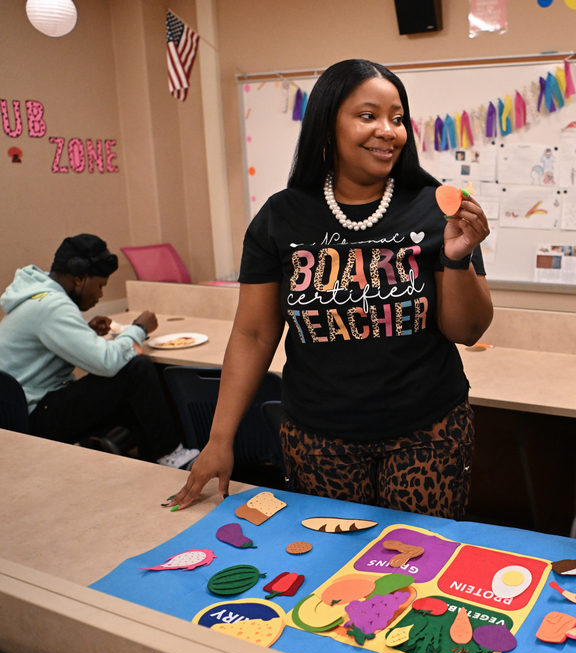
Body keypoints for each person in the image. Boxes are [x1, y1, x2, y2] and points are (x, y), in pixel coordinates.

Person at [168, 59, 492, 518]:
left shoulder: (435, 208)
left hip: (428, 433)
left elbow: (469, 330)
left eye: (397, 118)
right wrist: (219, 439)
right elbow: (254, 335)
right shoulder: (280, 218)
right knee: (329, 571)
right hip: (318, 439)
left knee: (418, 564)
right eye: (368, 115)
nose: (387, 130)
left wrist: (456, 260)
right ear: (326, 125)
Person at [0, 234, 200, 468]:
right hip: (33, 417)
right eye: (100, 286)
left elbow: (49, 344)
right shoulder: (53, 306)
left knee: (134, 396)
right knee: (136, 370)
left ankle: (154, 462)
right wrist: (139, 328)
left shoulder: (39, 296)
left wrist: (85, 331)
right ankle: (169, 454)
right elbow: (106, 362)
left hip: (20, 411)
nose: (100, 295)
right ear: (80, 278)